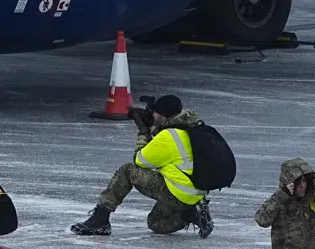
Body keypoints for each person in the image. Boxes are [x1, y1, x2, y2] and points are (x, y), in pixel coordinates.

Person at [70, 94, 214, 238]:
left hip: (177, 192)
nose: (153, 115)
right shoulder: (192, 128)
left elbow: (140, 160)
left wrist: (143, 130)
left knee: (127, 171)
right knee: (154, 222)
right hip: (195, 193)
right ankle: (190, 214)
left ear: (162, 116)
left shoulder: (169, 136)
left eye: (155, 112)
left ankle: (100, 219)